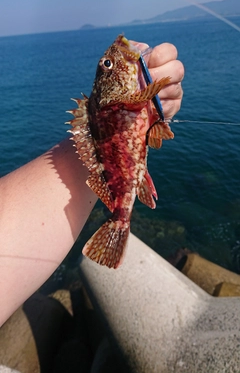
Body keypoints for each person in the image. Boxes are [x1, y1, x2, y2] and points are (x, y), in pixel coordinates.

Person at [0, 41, 184, 326]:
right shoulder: (119, 102)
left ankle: (118, 221)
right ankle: (119, 223)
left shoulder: (116, 104)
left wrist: (150, 101)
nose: (112, 60)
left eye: (107, 64)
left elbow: (103, 136)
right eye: (108, 65)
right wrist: (150, 94)